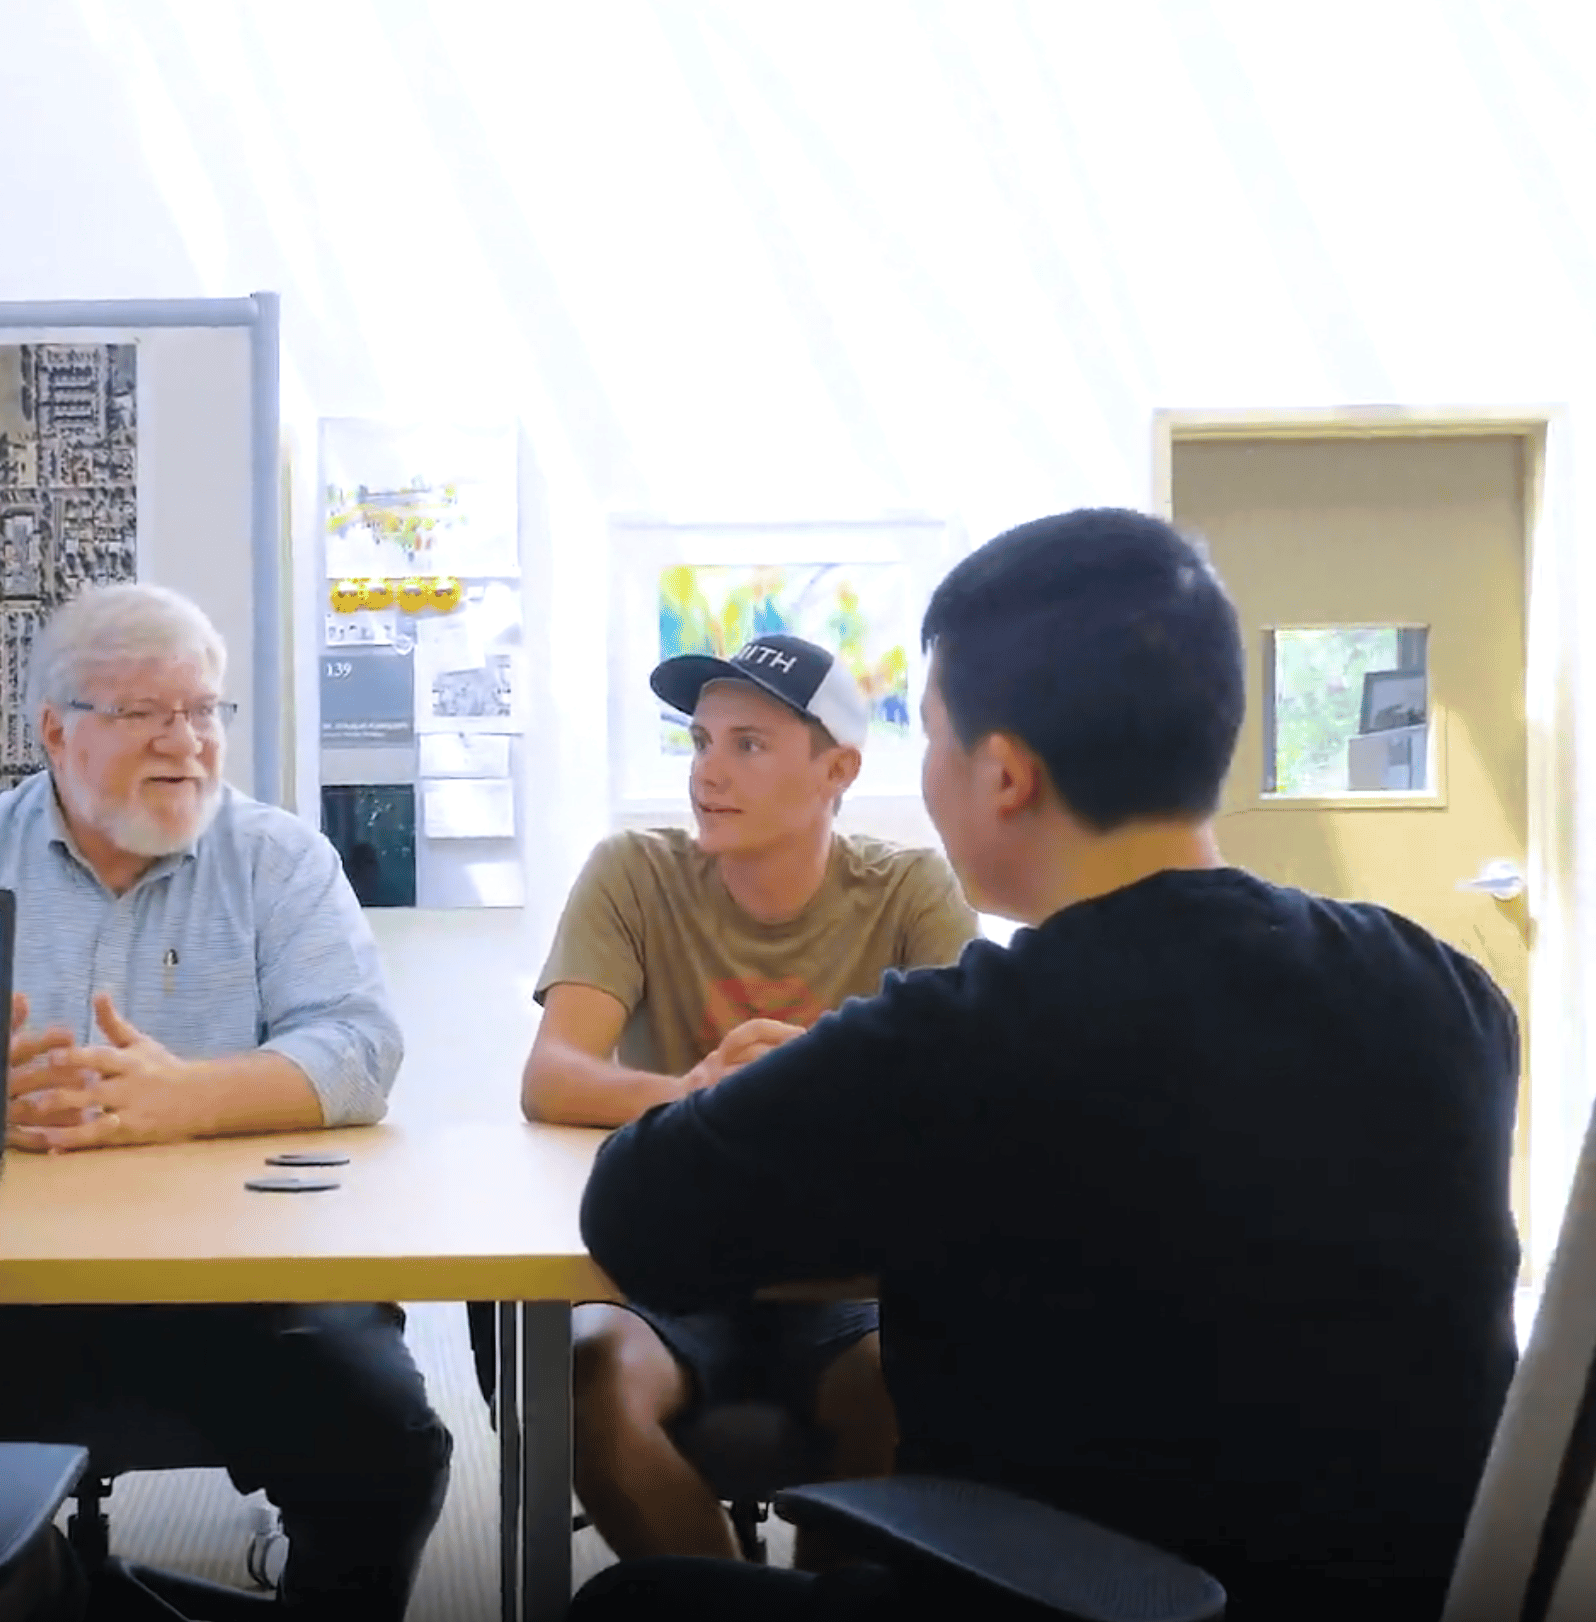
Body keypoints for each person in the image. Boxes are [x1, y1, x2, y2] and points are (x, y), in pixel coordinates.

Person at [569, 509, 1520, 1620]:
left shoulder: (955, 1039)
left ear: (1005, 775)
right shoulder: (1451, 995)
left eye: (931, 737)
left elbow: (633, 1212)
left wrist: (788, 1076)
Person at [0, 581, 450, 1621]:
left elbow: (362, 1044)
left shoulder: (278, 860)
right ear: (56, 728)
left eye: (205, 710)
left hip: (242, 1288)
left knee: (387, 1436)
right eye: (145, 713)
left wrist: (187, 1097)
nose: (186, 742)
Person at [519, 633, 975, 1563]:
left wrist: (803, 1091)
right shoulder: (633, 873)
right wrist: (692, 1096)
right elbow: (553, 1076)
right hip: (668, 1261)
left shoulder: (911, 890)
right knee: (584, 1377)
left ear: (835, 769)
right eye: (699, 742)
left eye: (748, 746)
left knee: (907, 1390)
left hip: (847, 1274)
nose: (708, 774)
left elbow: (967, 1105)